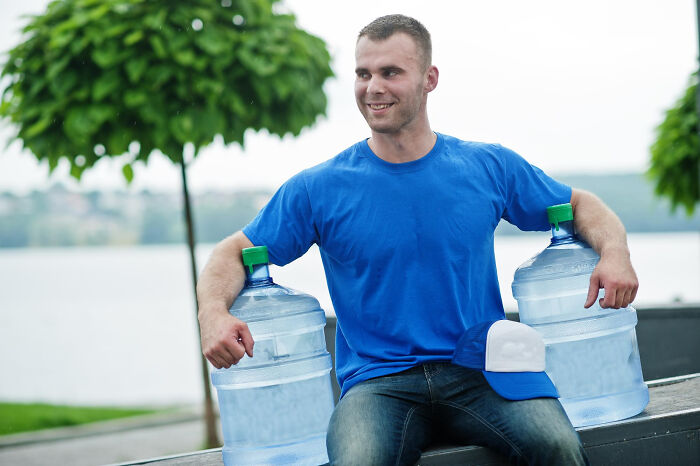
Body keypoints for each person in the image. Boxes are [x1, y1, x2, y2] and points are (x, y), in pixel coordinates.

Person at [197, 14, 638, 465]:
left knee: (557, 445)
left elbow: (580, 204)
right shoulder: (319, 188)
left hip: (482, 370)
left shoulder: (487, 166)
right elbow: (234, 252)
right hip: (378, 384)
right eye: (363, 73)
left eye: (390, 72)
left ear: (430, 79)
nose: (373, 87)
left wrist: (615, 254)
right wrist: (213, 312)